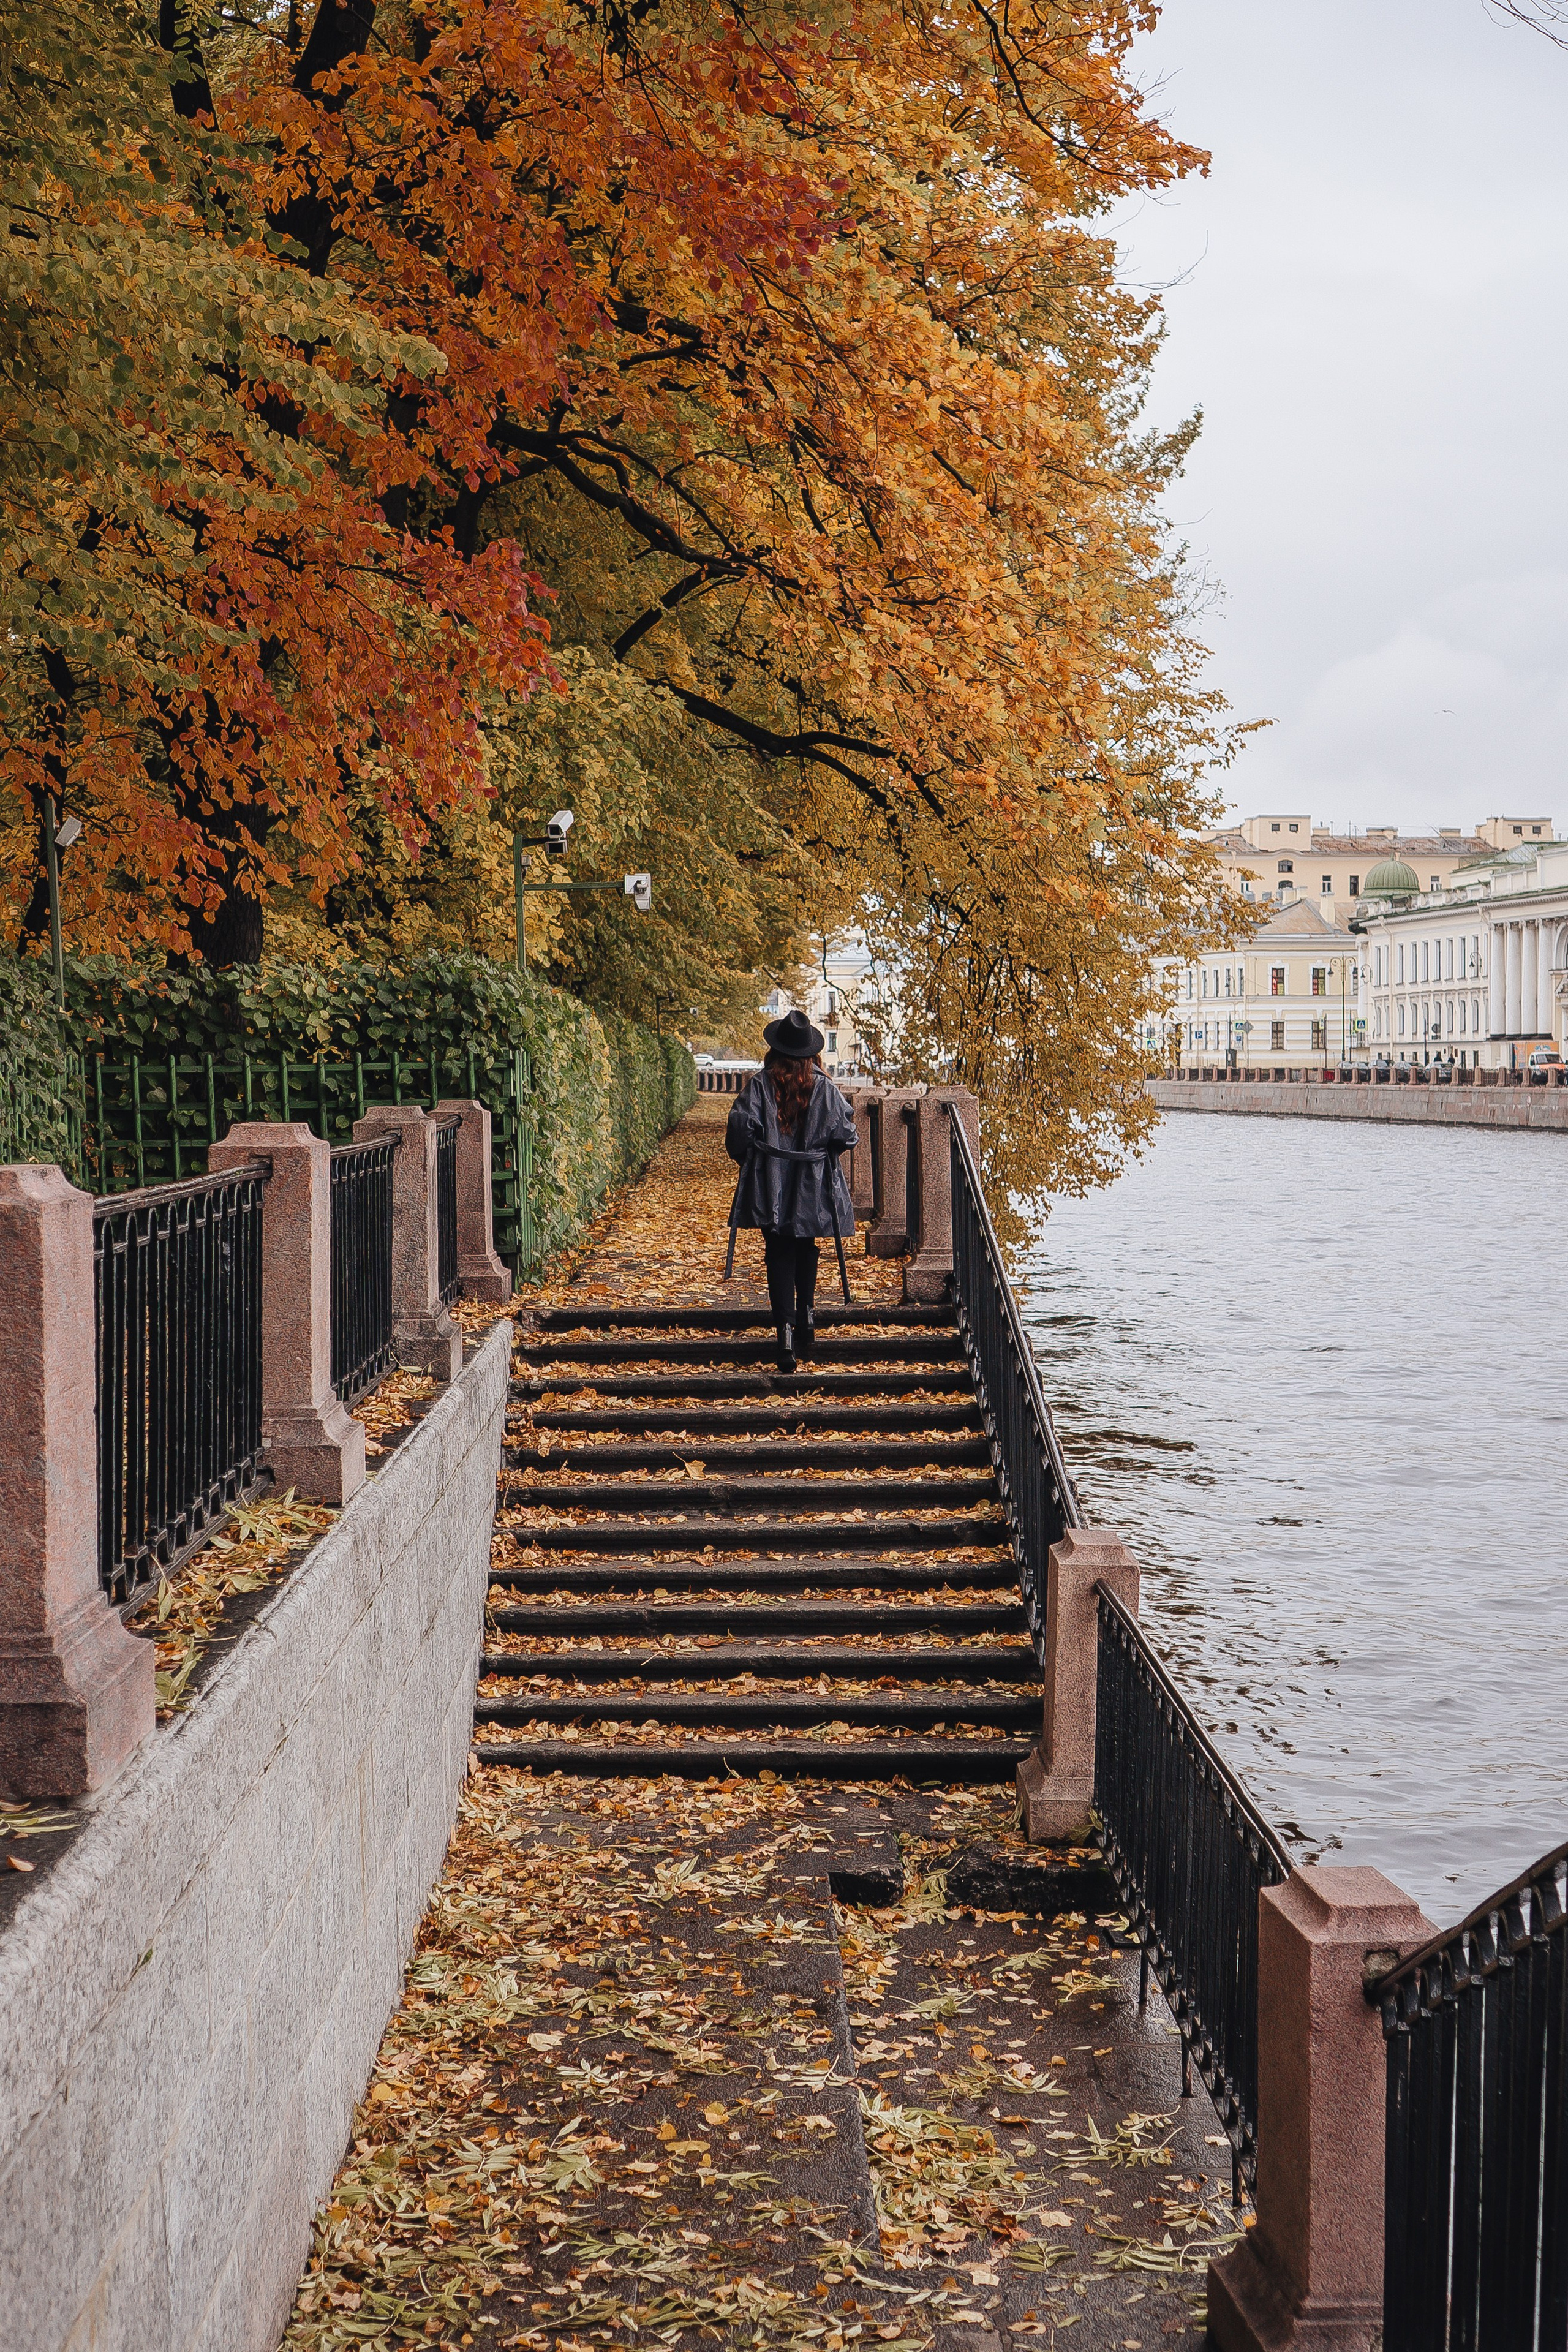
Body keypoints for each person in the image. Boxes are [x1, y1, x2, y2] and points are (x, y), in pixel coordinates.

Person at [725, 1007, 857, 1373]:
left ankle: (784, 1332)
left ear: (775, 1050)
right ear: (811, 1053)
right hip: (812, 1183)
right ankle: (807, 1317)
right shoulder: (826, 1088)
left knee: (778, 1249)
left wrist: (752, 1158)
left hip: (772, 1181)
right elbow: (847, 1135)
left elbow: (739, 1130)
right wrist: (822, 1151)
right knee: (806, 1246)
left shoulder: (760, 1084)